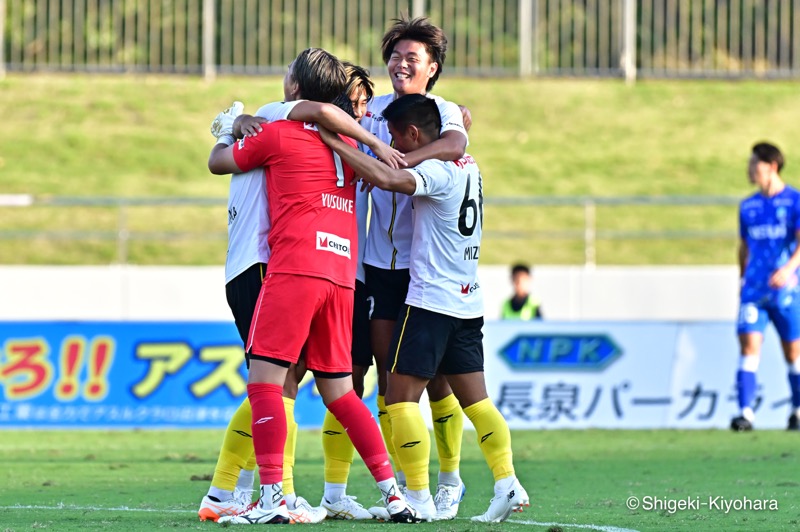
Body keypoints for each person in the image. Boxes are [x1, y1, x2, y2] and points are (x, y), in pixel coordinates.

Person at [207, 49, 419, 525]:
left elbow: (219, 164)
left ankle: (272, 498)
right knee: (342, 393)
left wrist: (227, 128)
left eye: (287, 73)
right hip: (342, 278)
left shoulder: (277, 131)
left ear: (296, 89)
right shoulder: (350, 148)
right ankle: (393, 495)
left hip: (294, 269)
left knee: (265, 385)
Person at [319, 93, 530, 522]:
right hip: (468, 303)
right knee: (478, 402)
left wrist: (338, 144)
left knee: (398, 397)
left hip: (430, 301)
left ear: (414, 134)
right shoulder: (471, 168)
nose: (393, 145)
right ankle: (507, 482)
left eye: (396, 138)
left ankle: (417, 495)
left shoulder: (437, 171)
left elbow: (389, 178)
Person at [359, 16, 469, 519]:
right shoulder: (371, 109)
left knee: (439, 379)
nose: (401, 64)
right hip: (377, 264)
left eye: (413, 58)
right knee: (389, 376)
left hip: (425, 268)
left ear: (433, 68)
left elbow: (455, 145)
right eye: (396, 56)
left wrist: (400, 162)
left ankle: (450, 478)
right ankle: (405, 481)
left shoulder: (443, 110)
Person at [731, 142, 800, 432]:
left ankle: (797, 411)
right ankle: (746, 414)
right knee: (748, 347)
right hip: (754, 291)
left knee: (793, 353)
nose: (750, 170)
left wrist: (788, 269)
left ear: (771, 166)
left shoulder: (794, 201)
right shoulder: (748, 206)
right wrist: (741, 279)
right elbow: (744, 247)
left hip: (786, 291)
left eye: (754, 164)